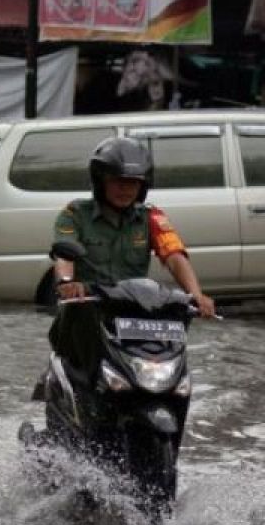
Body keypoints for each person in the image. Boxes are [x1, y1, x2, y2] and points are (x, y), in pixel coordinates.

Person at [49, 136, 216, 377]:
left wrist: (197, 295)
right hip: (87, 312)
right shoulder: (75, 213)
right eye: (117, 181)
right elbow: (65, 255)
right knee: (78, 371)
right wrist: (66, 283)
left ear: (143, 186)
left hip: (134, 314)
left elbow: (174, 256)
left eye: (133, 183)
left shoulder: (151, 216)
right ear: (100, 181)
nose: (125, 189)